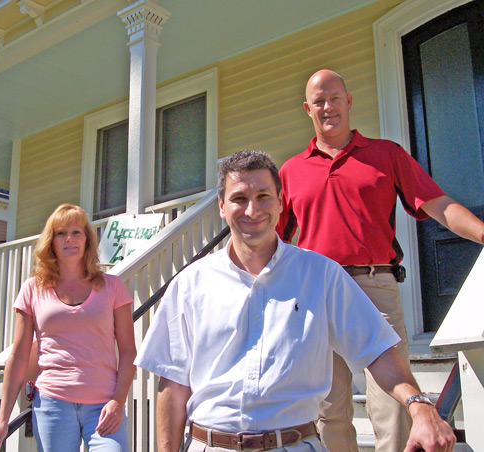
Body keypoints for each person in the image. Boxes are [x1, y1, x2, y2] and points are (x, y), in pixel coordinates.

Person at [135, 150, 455, 452]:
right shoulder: (190, 285)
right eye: (239, 198)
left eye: (263, 196)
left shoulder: (322, 276)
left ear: (279, 202)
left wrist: (420, 406)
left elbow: (377, 348)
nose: (252, 209)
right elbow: (173, 384)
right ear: (221, 205)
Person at [276, 69, 484, 452]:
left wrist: (482, 233)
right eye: (319, 101)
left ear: (349, 101)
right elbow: (272, 241)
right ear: (308, 109)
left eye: (335, 97)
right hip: (315, 292)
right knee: (329, 404)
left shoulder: (386, 154)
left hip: (376, 286)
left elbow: (437, 204)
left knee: (393, 401)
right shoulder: (290, 171)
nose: (328, 107)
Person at [0, 204, 136, 452]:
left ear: (87, 240)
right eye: (61, 233)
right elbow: (18, 355)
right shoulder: (32, 288)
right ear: (51, 241)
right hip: (53, 404)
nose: (69, 239)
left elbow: (128, 351)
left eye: (77, 232)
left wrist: (118, 401)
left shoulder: (112, 286)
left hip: (104, 406)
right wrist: (2, 421)